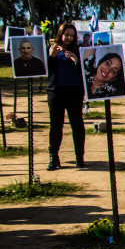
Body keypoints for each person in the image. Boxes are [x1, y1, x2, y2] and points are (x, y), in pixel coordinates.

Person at [46, 23, 86, 170]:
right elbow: (46, 71)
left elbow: (85, 72)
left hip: (74, 92)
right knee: (56, 125)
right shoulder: (52, 50)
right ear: (60, 34)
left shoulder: (78, 51)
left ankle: (79, 157)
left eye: (72, 35)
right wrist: (51, 57)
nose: (69, 38)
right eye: (66, 34)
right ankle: (54, 157)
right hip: (56, 92)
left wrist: (77, 61)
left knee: (77, 125)